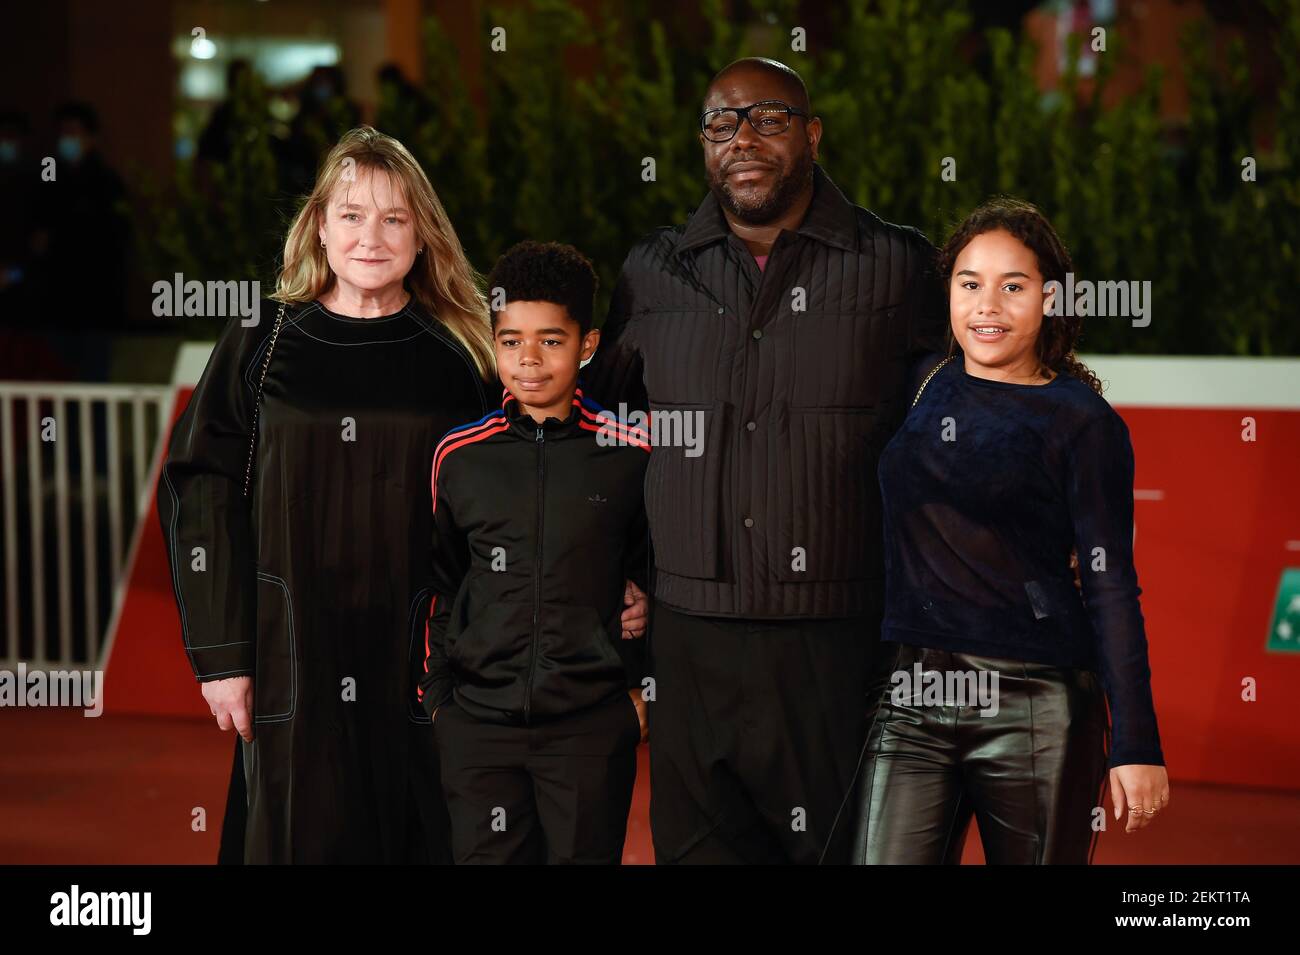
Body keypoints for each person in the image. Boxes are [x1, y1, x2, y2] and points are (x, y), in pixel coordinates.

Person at [158, 126, 647, 863]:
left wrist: (616, 580)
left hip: (424, 656)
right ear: (319, 225)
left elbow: (545, 473)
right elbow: (203, 488)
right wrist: (224, 656)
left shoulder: (464, 354)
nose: (371, 236)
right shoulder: (261, 340)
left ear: (422, 233)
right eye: (352, 214)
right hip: (296, 649)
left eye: (394, 218)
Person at [581, 57, 947, 864]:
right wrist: (614, 569)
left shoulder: (897, 265)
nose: (743, 138)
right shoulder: (652, 272)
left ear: (812, 134)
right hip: (685, 645)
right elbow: (600, 431)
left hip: (836, 646)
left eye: (769, 119)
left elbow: (967, 417)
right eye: (722, 122)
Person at [846, 197, 1169, 864]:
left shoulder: (1085, 424)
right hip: (913, 697)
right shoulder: (922, 382)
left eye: (1012, 286)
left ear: (1051, 298)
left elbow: (1110, 584)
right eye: (969, 284)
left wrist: (1135, 740)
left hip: (1036, 707)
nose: (986, 305)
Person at [421, 241, 651, 864]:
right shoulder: (459, 456)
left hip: (589, 729)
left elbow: (655, 574)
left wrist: (639, 692)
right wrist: (440, 698)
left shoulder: (633, 452)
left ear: (588, 345)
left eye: (550, 340)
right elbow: (441, 583)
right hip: (478, 727)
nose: (528, 359)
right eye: (510, 340)